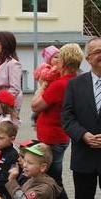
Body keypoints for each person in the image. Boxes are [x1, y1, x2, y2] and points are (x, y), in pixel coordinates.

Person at [31, 43, 84, 199]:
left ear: (64, 62)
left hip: (52, 139)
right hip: (60, 136)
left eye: (59, 57)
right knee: (53, 177)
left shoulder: (59, 84)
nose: (56, 61)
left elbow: (35, 106)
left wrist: (45, 84)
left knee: (53, 180)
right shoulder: (77, 80)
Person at [61, 37, 101, 199]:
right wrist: (83, 134)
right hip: (84, 157)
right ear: (88, 58)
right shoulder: (74, 85)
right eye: (97, 52)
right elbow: (67, 117)